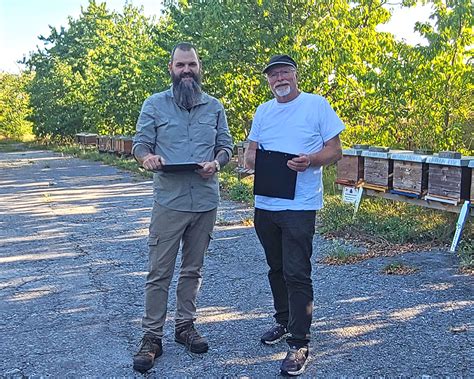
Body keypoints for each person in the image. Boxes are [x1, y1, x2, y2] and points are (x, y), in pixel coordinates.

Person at [131, 42, 233, 373]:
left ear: (199, 67)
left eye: (191, 64)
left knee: (193, 270)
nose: (186, 70)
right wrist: (147, 157)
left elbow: (226, 147)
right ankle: (151, 338)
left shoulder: (215, 106)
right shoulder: (154, 104)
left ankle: (185, 327)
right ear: (171, 68)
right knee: (159, 272)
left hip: (205, 201)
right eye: (180, 65)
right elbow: (140, 144)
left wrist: (217, 164)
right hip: (169, 201)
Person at [244, 54, 345, 376]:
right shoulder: (263, 111)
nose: (279, 79)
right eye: (273, 75)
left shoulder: (317, 105)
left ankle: (300, 342)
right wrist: (252, 164)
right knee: (276, 268)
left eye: (284, 72)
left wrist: (312, 160)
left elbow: (335, 150)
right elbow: (250, 152)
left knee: (297, 272)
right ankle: (284, 322)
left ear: (295, 74)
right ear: (268, 81)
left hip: (300, 206)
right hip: (265, 205)